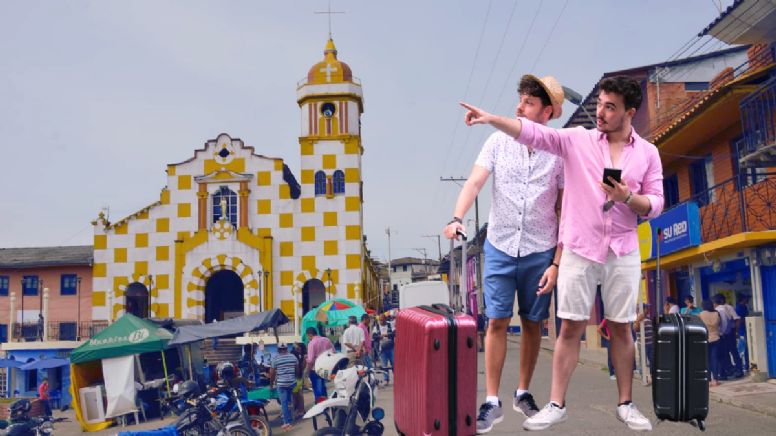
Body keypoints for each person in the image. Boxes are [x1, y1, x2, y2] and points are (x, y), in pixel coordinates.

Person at [461, 75, 664, 432]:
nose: (600, 112)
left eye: (610, 107)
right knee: (568, 326)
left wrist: (627, 198)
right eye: (599, 103)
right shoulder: (578, 140)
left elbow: (657, 203)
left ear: (629, 112)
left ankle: (626, 403)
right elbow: (534, 133)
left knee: (620, 328)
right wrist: (492, 119)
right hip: (580, 248)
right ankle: (556, 404)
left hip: (622, 249)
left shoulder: (648, 153)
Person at [444, 74, 565, 434]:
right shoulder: (497, 142)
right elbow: (475, 182)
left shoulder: (559, 152)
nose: (519, 107)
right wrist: (456, 217)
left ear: (547, 112)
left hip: (540, 249)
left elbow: (565, 210)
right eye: (520, 100)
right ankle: (492, 400)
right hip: (499, 245)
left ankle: (522, 393)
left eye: (528, 102)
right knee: (496, 320)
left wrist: (557, 262)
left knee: (532, 323)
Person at [270, 342, 299, 430]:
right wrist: (296, 378)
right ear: (286, 349)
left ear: (278, 350)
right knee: (289, 402)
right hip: (292, 382)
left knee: (284, 403)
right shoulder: (293, 357)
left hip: (282, 384)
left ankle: (287, 422)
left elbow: (272, 373)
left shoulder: (275, 358)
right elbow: (297, 369)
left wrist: (271, 384)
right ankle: (291, 417)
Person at [714, 294, 743, 379]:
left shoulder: (728, 308)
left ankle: (739, 370)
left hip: (729, 333)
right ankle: (730, 370)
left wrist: (736, 332)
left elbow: (736, 319)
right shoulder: (719, 309)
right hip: (726, 333)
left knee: (733, 351)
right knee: (726, 353)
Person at [306, 327, 335, 403]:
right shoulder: (326, 340)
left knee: (317, 387)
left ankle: (320, 404)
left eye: (308, 337)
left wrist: (307, 371)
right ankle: (325, 403)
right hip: (326, 367)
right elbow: (334, 352)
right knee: (323, 385)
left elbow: (310, 360)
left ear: (310, 335)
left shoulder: (311, 343)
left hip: (315, 368)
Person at [699, 300, 722, 386]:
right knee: (714, 359)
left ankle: (708, 380)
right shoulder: (716, 313)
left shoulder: (701, 314)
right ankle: (715, 379)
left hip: (704, 338)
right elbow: (720, 325)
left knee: (706, 360)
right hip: (716, 338)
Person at [376, 315, 395, 383]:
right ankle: (386, 380)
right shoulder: (376, 326)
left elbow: (394, 333)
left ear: (385, 319)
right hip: (382, 349)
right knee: (384, 365)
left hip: (391, 347)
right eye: (380, 320)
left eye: (383, 319)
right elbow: (374, 336)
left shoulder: (390, 324)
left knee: (394, 363)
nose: (381, 321)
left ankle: (397, 378)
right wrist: (379, 337)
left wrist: (386, 335)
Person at [735, 293, 750, 372]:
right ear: (742, 299)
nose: (747, 300)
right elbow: (738, 321)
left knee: (747, 349)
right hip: (742, 331)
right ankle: (741, 367)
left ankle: (747, 365)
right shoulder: (738, 308)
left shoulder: (744, 306)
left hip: (746, 330)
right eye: (746, 298)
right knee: (741, 350)